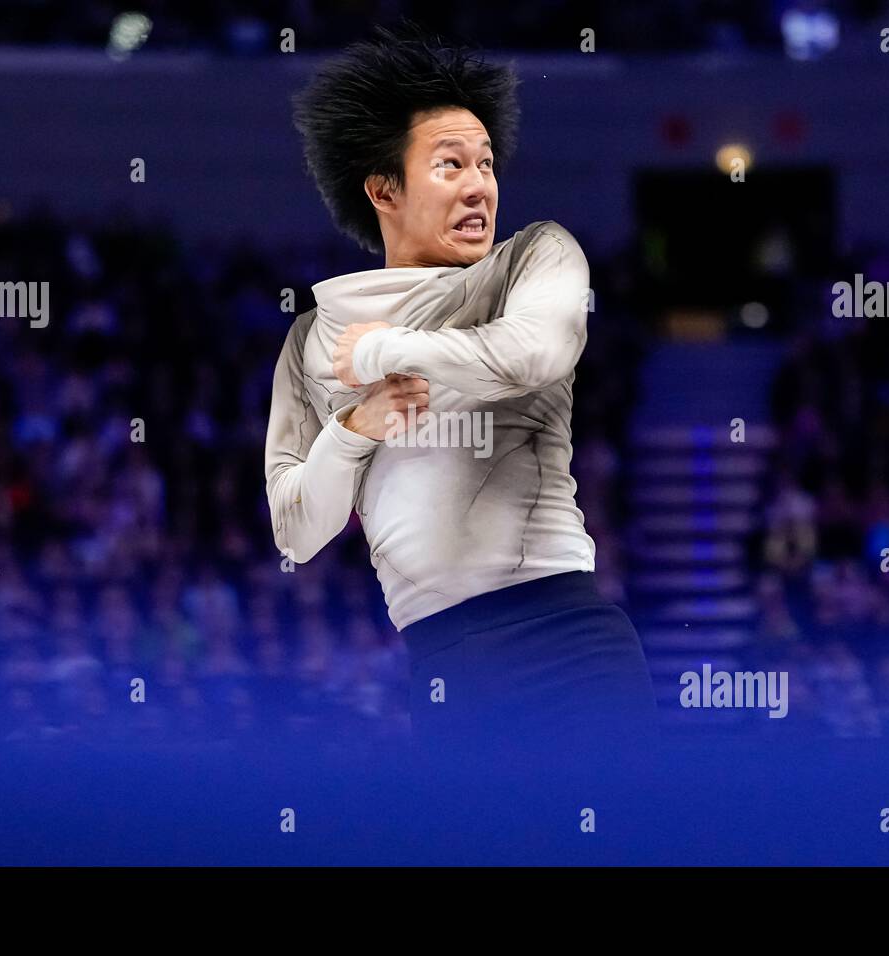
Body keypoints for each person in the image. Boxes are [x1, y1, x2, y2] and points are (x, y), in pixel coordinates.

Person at [266, 22, 655, 756]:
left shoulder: (534, 259)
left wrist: (386, 348)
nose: (480, 184)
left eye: (485, 163)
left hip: (569, 637)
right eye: (450, 164)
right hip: (445, 664)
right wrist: (355, 430)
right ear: (383, 188)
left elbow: (533, 353)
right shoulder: (312, 341)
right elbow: (296, 529)